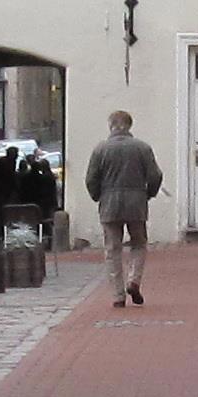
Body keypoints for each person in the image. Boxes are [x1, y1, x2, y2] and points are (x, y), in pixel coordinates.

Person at [81, 111, 165, 307]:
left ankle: (117, 295)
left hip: (109, 202)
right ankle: (134, 280)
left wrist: (98, 196)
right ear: (129, 125)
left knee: (112, 249)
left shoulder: (100, 149)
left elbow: (91, 178)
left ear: (110, 125)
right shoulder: (142, 148)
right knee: (139, 243)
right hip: (136, 202)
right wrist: (148, 193)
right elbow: (155, 175)